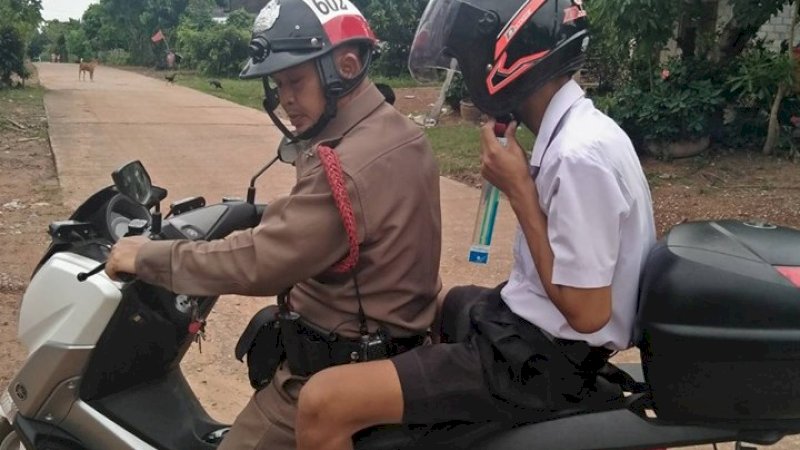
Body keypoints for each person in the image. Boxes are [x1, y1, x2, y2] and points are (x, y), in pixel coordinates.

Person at [294, 1, 657, 449]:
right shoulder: (577, 130)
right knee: (438, 301)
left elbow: (587, 312)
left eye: (465, 59)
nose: (466, 73)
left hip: (543, 363)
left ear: (503, 56)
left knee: (321, 403)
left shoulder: (578, 156)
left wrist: (519, 190)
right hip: (530, 335)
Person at [104, 1, 442, 449]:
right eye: (279, 83)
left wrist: (146, 256)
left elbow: (260, 262)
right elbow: (339, 229)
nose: (285, 98)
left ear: (345, 66)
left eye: (296, 80)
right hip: (392, 354)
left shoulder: (347, 163)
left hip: (332, 376)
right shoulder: (398, 133)